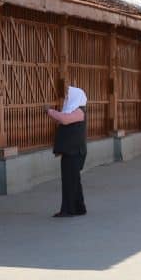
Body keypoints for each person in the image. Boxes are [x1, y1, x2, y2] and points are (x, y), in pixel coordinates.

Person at [48, 86, 88, 218]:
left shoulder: (79, 112)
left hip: (74, 153)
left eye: (68, 96)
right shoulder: (73, 111)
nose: (66, 98)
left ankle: (68, 209)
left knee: (69, 182)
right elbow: (62, 119)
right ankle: (78, 207)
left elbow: (64, 119)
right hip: (71, 152)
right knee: (74, 181)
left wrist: (49, 111)